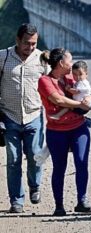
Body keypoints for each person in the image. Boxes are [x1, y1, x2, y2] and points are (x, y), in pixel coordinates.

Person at [37, 48, 91, 216]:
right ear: (61, 63)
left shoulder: (72, 77)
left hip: (78, 127)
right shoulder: (45, 81)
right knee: (59, 168)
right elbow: (58, 100)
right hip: (57, 131)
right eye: (70, 60)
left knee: (81, 163)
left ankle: (82, 201)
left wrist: (90, 99)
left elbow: (87, 92)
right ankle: (59, 205)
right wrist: (81, 105)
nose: (72, 63)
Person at [0, 23, 46, 213]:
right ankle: (16, 200)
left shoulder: (43, 59)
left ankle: (35, 185)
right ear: (18, 40)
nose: (30, 47)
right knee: (13, 159)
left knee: (36, 155)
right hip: (9, 116)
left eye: (34, 43)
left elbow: (54, 85)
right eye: (27, 43)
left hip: (34, 115)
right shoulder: (3, 57)